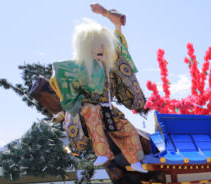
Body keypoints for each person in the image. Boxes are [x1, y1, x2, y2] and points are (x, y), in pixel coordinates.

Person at [50, 4, 146, 171]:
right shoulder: (82, 68)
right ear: (87, 49)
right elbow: (61, 74)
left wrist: (116, 25)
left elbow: (121, 52)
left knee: (127, 128)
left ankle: (135, 161)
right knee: (93, 114)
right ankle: (103, 153)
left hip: (108, 107)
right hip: (88, 108)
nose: (100, 50)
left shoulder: (111, 66)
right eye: (95, 47)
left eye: (103, 46)